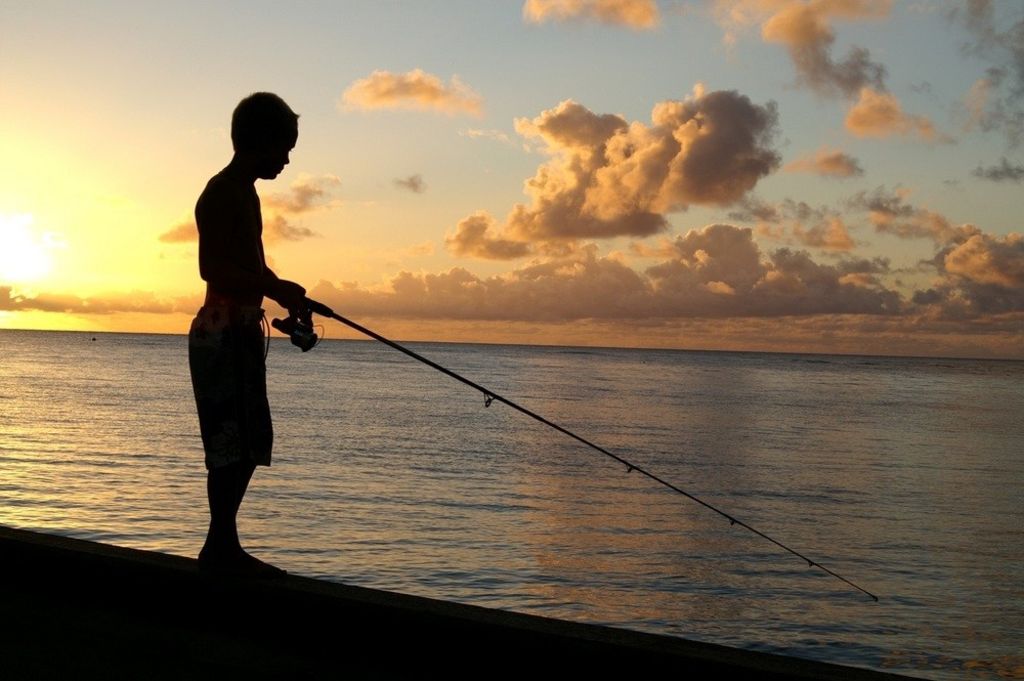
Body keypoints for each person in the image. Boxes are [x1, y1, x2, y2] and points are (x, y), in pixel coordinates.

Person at [188, 92, 306, 576]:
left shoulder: (246, 192)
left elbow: (249, 266)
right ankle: (220, 550)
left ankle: (222, 545)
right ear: (259, 142)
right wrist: (273, 288)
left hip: (241, 329)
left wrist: (282, 290)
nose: (286, 159)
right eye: (283, 148)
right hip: (222, 329)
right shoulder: (221, 191)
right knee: (231, 442)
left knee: (252, 439)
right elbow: (212, 268)